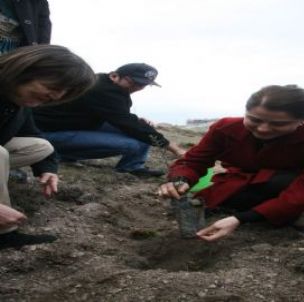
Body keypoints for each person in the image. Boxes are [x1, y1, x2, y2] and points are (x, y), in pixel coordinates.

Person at [158, 85, 304, 241]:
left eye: (278, 124)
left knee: (281, 186)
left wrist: (242, 219)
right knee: (228, 198)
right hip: (246, 176)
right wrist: (180, 179)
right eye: (254, 119)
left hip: (295, 180)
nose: (263, 129)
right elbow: (195, 160)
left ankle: (292, 215)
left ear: (302, 120)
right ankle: (262, 207)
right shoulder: (225, 128)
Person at [0, 44, 95, 248]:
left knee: (42, 146)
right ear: (27, 69)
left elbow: (32, 133)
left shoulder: (18, 102)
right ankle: (3, 234)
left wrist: (48, 169)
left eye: (64, 92)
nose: (57, 96)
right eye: (53, 87)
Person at [33, 63, 186, 177]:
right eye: (134, 82)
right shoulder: (102, 89)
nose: (138, 87)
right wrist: (175, 149)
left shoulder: (108, 83)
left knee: (142, 129)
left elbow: (121, 117)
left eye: (143, 85)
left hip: (76, 124)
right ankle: (60, 154)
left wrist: (135, 121)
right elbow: (130, 125)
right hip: (46, 133)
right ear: (114, 75)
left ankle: (133, 167)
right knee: (132, 143)